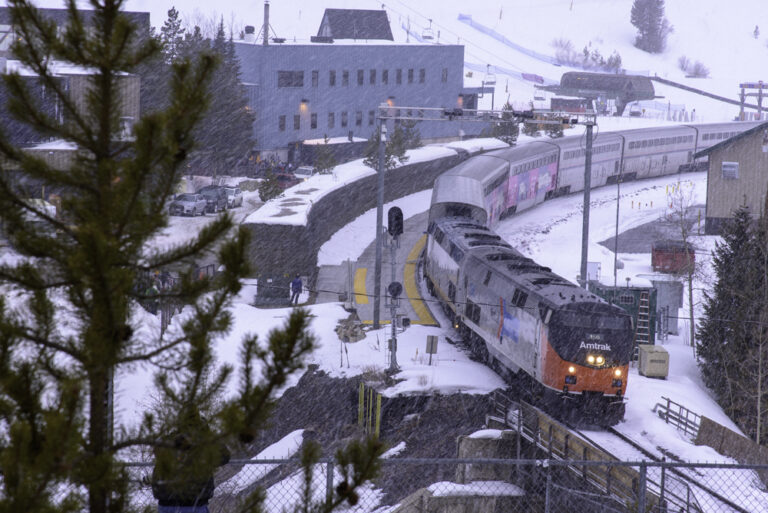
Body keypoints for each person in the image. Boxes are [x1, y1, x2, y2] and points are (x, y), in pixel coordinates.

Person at [151, 411, 230, 513]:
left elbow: (157, 450)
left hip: (168, 502)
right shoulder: (205, 443)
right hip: (195, 503)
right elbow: (224, 455)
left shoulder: (168, 441)